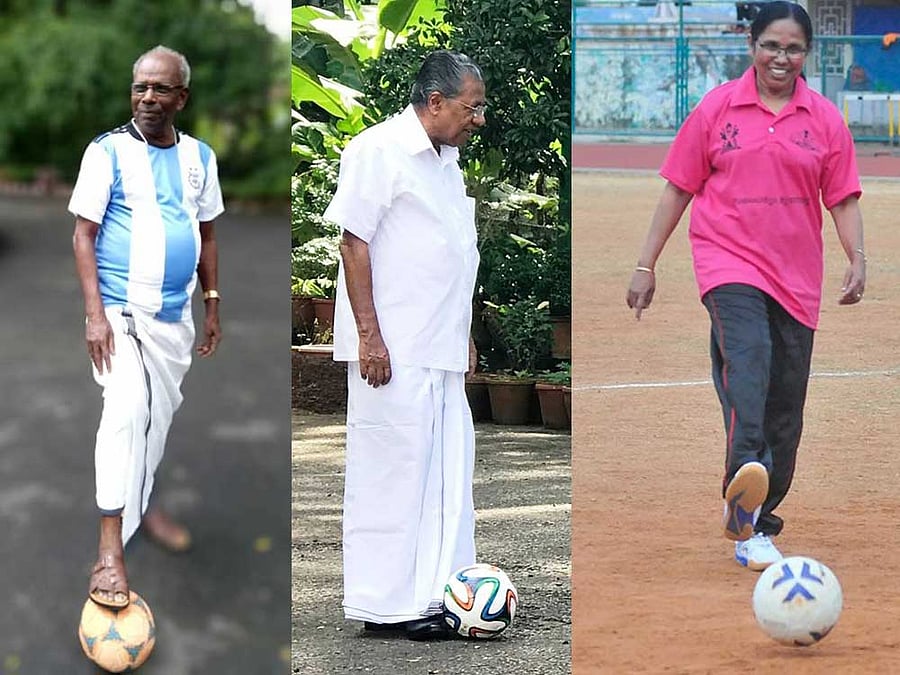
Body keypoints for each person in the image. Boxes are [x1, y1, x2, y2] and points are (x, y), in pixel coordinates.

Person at [626, 2, 865, 572]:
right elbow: (677, 189)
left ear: (806, 53)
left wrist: (857, 257)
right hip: (728, 263)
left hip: (797, 278)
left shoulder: (824, 119)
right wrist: (645, 264)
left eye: (793, 48)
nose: (781, 58)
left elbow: (844, 197)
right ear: (752, 44)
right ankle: (745, 509)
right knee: (749, 365)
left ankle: (761, 508)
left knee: (786, 409)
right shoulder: (717, 109)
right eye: (771, 46)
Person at [324, 50, 486, 640]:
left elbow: (451, 252)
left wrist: (463, 331)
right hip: (391, 350)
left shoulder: (446, 162)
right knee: (392, 475)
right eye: (473, 108)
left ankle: (442, 595)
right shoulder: (377, 150)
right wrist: (370, 336)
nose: (479, 119)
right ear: (436, 102)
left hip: (439, 346)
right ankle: (385, 606)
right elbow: (353, 244)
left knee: (446, 477)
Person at [69, 45, 224, 608]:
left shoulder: (200, 158)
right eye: (140, 87)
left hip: (174, 319)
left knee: (155, 423)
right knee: (128, 411)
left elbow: (206, 233)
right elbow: (83, 234)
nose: (148, 98)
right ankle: (110, 546)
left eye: (161, 89)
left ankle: (141, 503)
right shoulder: (106, 152)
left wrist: (212, 302)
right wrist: (93, 316)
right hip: (119, 313)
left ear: (182, 96)